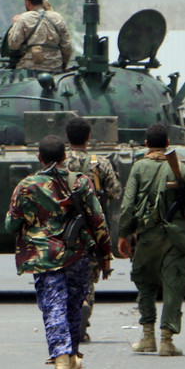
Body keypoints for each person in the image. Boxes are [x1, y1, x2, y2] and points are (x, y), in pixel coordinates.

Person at [6, 135, 112, 369]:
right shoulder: (81, 182)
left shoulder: (26, 186)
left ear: (39, 158)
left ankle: (63, 363)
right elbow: (98, 221)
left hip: (44, 256)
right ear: (65, 157)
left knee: (54, 307)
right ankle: (69, 359)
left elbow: (11, 223)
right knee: (73, 308)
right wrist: (106, 255)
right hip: (76, 254)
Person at [116, 123, 185, 357]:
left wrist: (123, 233)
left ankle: (148, 338)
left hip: (147, 237)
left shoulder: (139, 167)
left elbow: (128, 205)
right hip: (174, 237)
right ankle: (166, 341)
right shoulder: (179, 168)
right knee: (173, 286)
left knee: (145, 284)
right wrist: (178, 203)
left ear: (146, 144)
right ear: (167, 144)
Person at [65, 115, 120, 343]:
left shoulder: (60, 160)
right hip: (92, 226)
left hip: (65, 228)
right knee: (88, 277)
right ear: (88, 137)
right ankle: (84, 317)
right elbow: (115, 191)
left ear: (67, 138)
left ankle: (68, 321)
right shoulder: (99, 161)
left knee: (65, 275)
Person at [6, 0, 73, 72]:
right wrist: (63, 65)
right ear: (42, 0)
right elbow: (67, 48)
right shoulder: (57, 18)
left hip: (29, 70)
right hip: (55, 68)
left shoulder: (23, 19)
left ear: (27, 2)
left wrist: (15, 24)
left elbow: (13, 44)